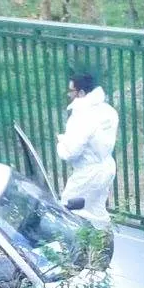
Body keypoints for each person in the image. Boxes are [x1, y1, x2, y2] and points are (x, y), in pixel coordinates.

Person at [56, 72, 119, 230]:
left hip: (87, 172)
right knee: (96, 210)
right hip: (106, 167)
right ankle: (103, 243)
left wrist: (61, 143)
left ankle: (77, 248)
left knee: (69, 209)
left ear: (82, 93)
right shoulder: (107, 111)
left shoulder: (82, 116)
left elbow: (70, 152)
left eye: (71, 91)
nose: (69, 94)